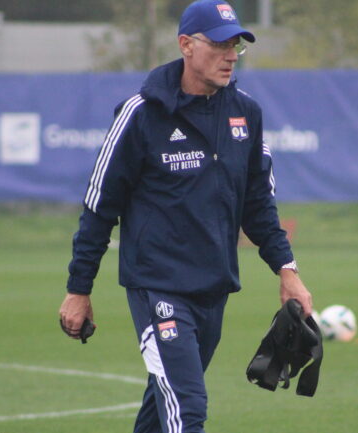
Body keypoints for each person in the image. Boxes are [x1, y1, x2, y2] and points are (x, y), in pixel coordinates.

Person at [58, 1, 313, 432]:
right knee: (188, 409)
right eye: (218, 44)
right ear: (186, 46)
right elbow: (99, 207)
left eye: (236, 44)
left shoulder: (246, 115)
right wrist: (78, 289)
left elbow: (259, 206)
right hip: (157, 284)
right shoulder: (140, 115)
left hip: (213, 288)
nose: (230, 54)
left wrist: (287, 271)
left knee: (162, 414)